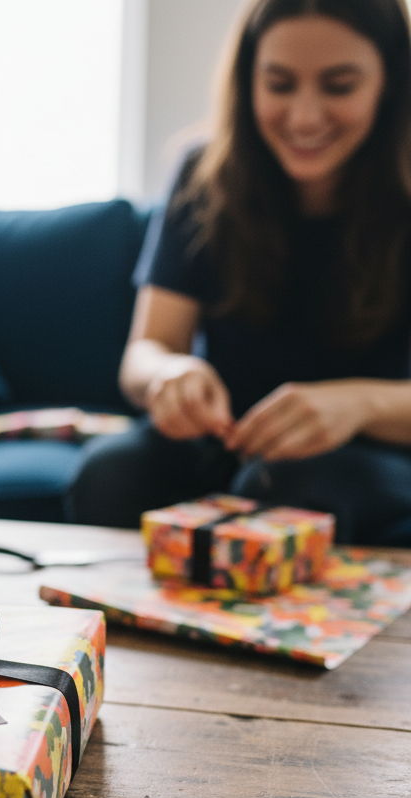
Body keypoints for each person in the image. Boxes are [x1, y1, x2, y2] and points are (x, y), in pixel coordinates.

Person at [72, 0, 411, 545]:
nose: (304, 116)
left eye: (339, 86)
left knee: (290, 487)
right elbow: (146, 351)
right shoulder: (203, 175)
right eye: (279, 84)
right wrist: (168, 375)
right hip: (227, 441)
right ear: (247, 79)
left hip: (371, 456)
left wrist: (358, 404)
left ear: (391, 83)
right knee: (111, 471)